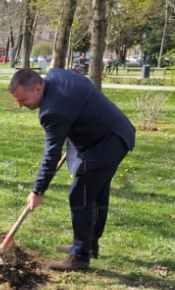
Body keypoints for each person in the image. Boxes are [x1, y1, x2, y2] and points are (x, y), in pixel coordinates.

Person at [8, 67, 135, 270]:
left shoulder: (52, 111)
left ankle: (79, 256)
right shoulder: (56, 75)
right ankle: (88, 244)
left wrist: (37, 191)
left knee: (80, 195)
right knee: (96, 192)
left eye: (22, 100)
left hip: (108, 143)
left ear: (38, 88)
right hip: (115, 132)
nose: (20, 106)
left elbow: (51, 154)